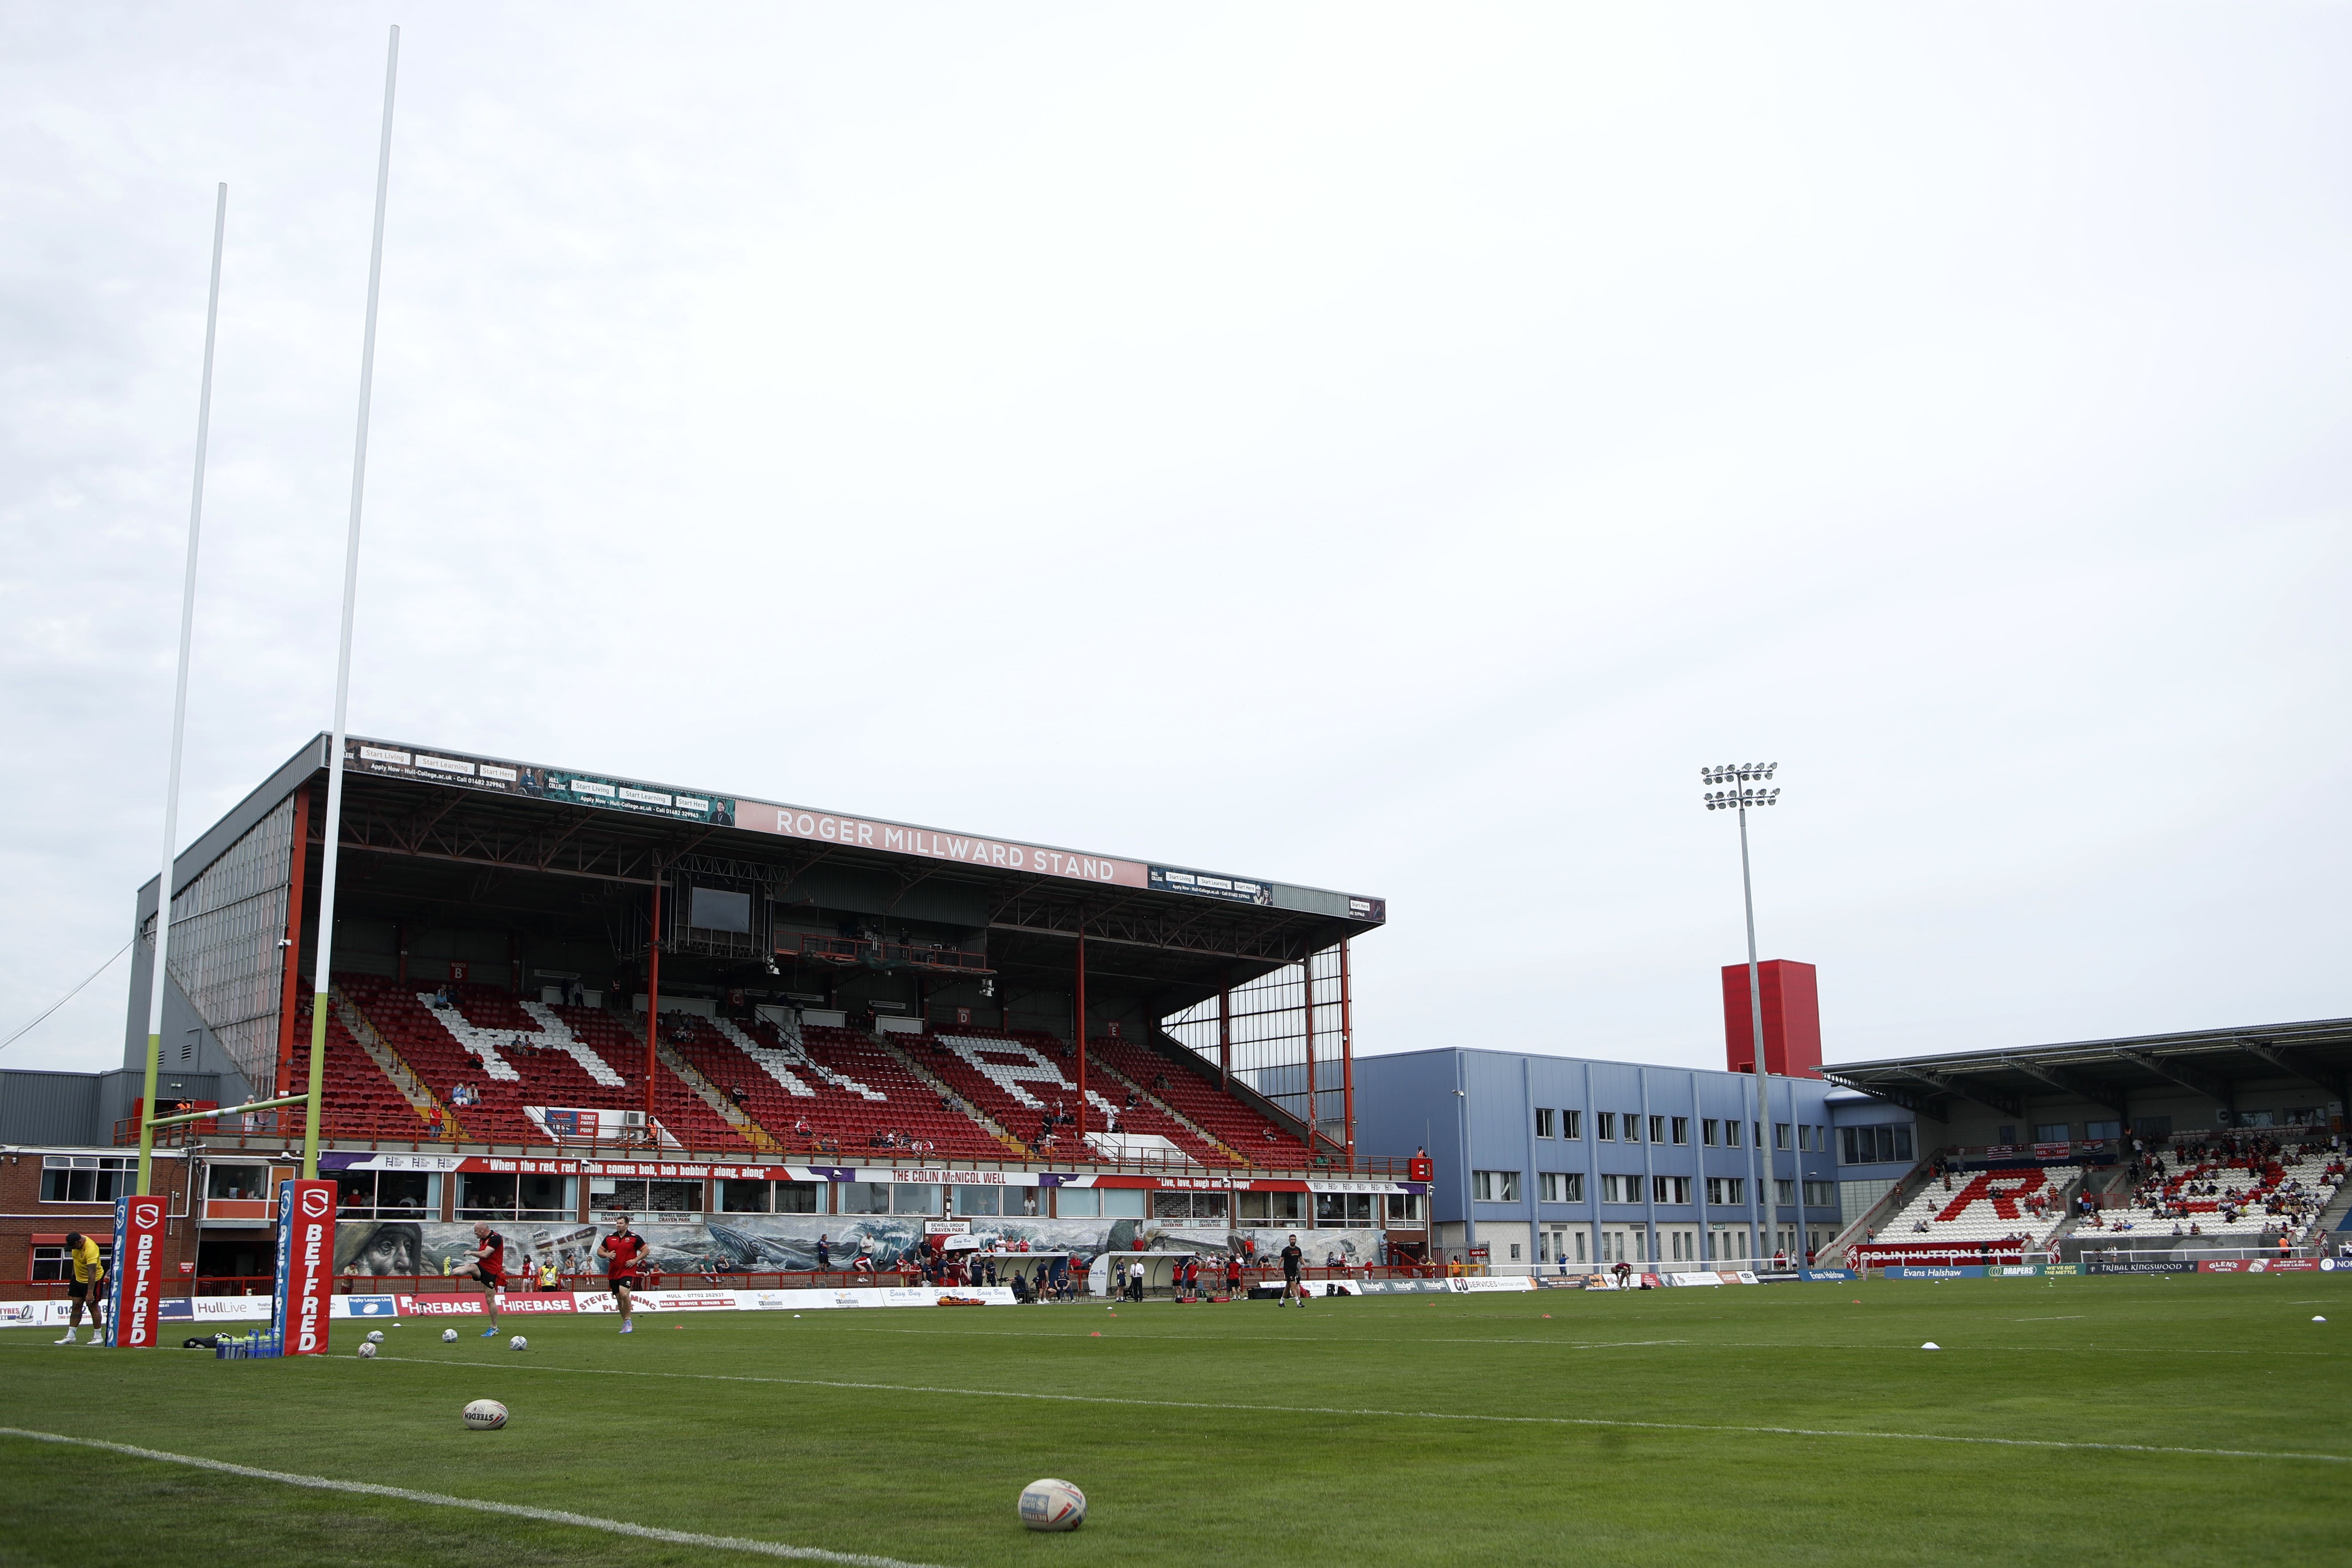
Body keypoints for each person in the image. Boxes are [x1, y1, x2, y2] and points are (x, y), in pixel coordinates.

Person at [450, 1222, 508, 1336]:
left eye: (476, 1231)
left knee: (489, 1300)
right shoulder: (482, 1239)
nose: (475, 1233)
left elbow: (486, 1254)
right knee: (469, 1267)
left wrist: (471, 1252)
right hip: (482, 1267)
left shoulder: (496, 1238)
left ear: (482, 1230)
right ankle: (451, 1272)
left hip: (492, 1272)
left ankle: (494, 1327)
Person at [599, 1215, 648, 1334]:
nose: (618, 1225)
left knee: (624, 1293)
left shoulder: (634, 1238)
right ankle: (625, 1323)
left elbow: (646, 1250)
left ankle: (629, 1320)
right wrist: (608, 1255)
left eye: (621, 1223)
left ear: (627, 1225)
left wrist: (635, 1260)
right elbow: (600, 1251)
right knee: (619, 1299)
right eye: (617, 1223)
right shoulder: (610, 1238)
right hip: (614, 1272)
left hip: (627, 1271)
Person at [56, 1231, 107, 1346]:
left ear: (79, 1242)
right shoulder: (76, 1247)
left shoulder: (91, 1249)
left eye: (73, 1246)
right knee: (76, 1305)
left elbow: (92, 1273)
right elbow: (76, 1263)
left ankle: (98, 1336)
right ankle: (71, 1336)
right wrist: (72, 1282)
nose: (73, 1248)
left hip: (93, 1279)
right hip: (78, 1278)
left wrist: (90, 1293)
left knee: (92, 1306)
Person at [1279, 1234, 1306, 1307]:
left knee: (1288, 1286)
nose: (1293, 1241)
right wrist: (1277, 1269)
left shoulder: (1298, 1250)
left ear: (1296, 1240)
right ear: (1289, 1240)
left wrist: (1305, 1264)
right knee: (1294, 1285)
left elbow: (1301, 1258)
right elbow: (1281, 1260)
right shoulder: (1286, 1250)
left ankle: (1281, 1302)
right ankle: (1298, 1302)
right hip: (1288, 1270)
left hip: (1294, 1270)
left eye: (1294, 1240)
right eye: (1292, 1240)